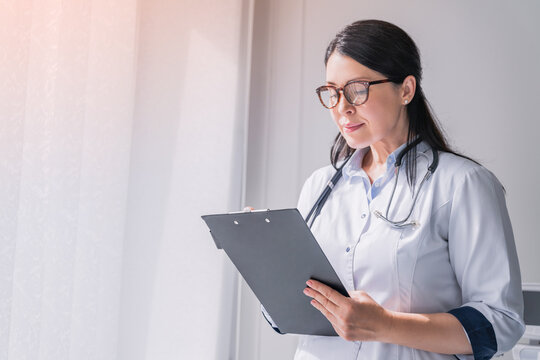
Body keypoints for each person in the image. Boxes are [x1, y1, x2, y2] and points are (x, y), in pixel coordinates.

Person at [261, 19, 525, 360]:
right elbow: (288, 315)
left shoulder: (462, 184)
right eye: (332, 92)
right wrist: (268, 264)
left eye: (357, 89)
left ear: (406, 90)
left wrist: (385, 325)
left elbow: (499, 324)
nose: (342, 107)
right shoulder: (320, 187)